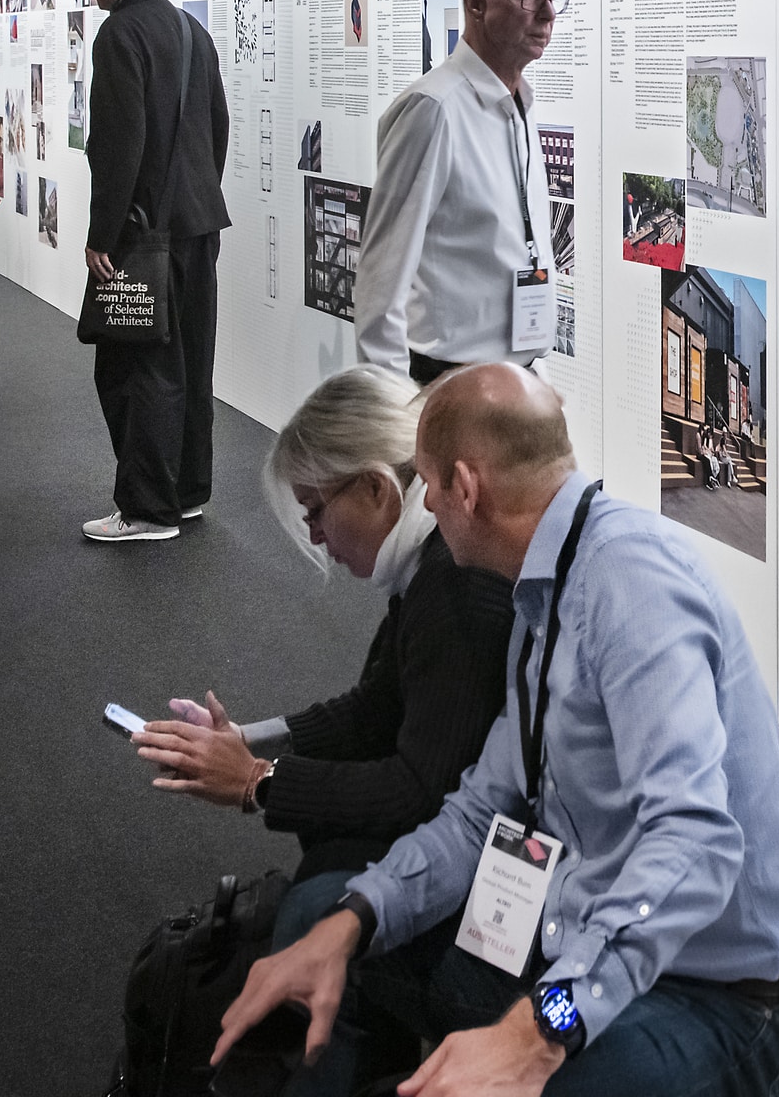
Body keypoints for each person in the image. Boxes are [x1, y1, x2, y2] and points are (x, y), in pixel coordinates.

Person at [215, 364, 779, 1097]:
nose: (427, 507)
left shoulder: (633, 587)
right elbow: (483, 809)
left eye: (429, 486)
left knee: (556, 1078)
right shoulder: (548, 588)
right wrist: (360, 915)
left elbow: (693, 843)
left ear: (466, 489)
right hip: (585, 950)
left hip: (731, 1004)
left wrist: (539, 1030)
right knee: (328, 915)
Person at [130, 366, 514, 990]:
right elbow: (378, 707)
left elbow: (421, 791)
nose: (313, 534)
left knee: (316, 907)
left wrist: (257, 783)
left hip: (508, 875)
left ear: (373, 488)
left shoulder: (454, 587)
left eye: (315, 510)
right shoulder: (434, 562)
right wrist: (246, 745)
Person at [352, 0, 566, 385]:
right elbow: (379, 289)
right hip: (449, 390)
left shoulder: (520, 107)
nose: (548, 14)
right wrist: (396, 420)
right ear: (476, 2)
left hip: (518, 383)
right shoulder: (434, 112)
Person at [77, 0, 228, 544]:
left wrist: (102, 235)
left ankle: (147, 508)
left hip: (145, 235)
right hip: (199, 224)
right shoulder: (194, 30)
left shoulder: (118, 34)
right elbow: (217, 126)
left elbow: (120, 144)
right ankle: (187, 492)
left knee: (138, 366)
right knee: (193, 361)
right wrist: (195, 197)